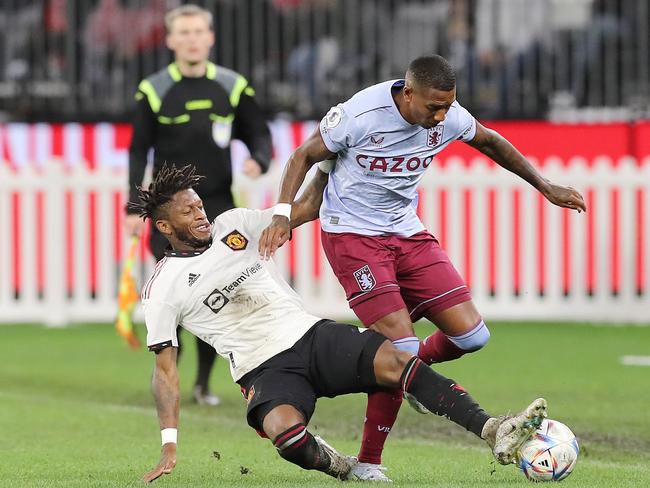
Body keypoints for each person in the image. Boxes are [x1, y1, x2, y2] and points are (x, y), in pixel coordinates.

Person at [259, 54, 586, 479]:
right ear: (408, 93)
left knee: (473, 336)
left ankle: (415, 377)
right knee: (400, 350)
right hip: (353, 238)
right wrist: (283, 213)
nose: (442, 116)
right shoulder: (359, 116)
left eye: (448, 105)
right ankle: (369, 464)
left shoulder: (446, 118)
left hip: (407, 233)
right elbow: (303, 155)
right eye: (434, 106)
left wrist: (545, 186)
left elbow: (490, 141)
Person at [131, 163, 548, 483]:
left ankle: (493, 429)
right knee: (286, 436)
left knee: (397, 360)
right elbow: (165, 371)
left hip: (311, 336)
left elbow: (308, 207)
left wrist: (328, 161)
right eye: (189, 212)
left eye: (200, 205)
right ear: (165, 227)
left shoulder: (235, 225)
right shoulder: (163, 287)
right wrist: (169, 445)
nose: (201, 214)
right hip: (263, 368)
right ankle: (345, 468)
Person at [125, 4, 273, 406]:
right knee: (172, 298)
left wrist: (258, 159)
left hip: (218, 209)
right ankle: (168, 375)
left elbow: (260, 135)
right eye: (183, 33)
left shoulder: (232, 85)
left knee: (216, 296)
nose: (192, 39)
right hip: (168, 215)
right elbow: (138, 151)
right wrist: (132, 208)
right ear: (170, 40)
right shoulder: (154, 89)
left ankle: (205, 384)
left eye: (198, 32)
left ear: (210, 37)